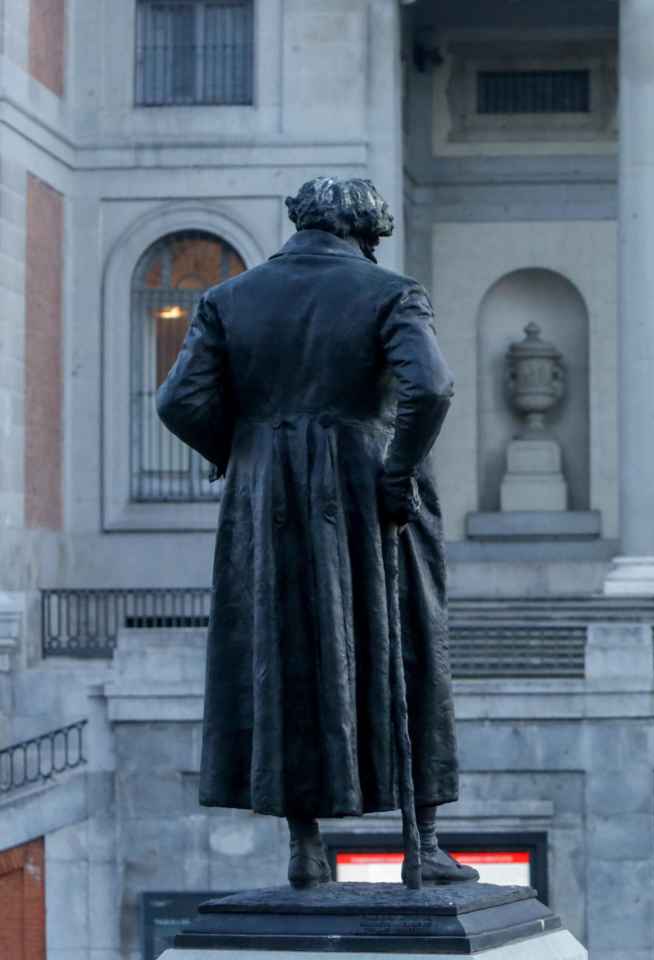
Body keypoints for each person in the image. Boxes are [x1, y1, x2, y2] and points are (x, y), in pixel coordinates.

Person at [156, 176, 477, 889]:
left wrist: (240, 454)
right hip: (367, 489)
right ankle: (422, 843)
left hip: (266, 497)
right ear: (366, 231)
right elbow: (431, 386)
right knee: (409, 649)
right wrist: (396, 472)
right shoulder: (391, 291)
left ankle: (305, 847)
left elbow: (179, 402)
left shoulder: (228, 299)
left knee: (283, 652)